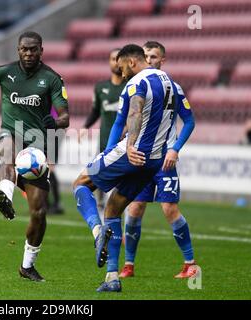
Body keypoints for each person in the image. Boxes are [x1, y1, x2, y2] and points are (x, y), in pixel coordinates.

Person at [0, 31, 69, 281]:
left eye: (33, 49)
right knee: (8, 153)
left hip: (37, 149)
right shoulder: (3, 72)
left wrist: (54, 122)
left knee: (39, 213)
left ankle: (27, 266)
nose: (29, 53)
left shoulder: (52, 79)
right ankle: (5, 195)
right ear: (18, 50)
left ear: (41, 50)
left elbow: (65, 115)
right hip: (9, 133)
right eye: (24, 49)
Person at [72, 44, 177, 292]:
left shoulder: (136, 82)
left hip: (133, 152)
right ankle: (112, 278)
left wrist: (129, 144)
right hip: (153, 161)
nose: (121, 74)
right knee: (113, 209)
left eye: (122, 68)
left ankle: (97, 232)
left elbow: (135, 112)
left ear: (131, 62)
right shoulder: (167, 80)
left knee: (79, 184)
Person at [118, 41, 197, 279]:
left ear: (163, 60)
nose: (149, 60)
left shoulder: (173, 87)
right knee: (134, 208)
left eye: (154, 56)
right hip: (141, 157)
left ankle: (190, 264)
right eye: (146, 56)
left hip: (163, 158)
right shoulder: (136, 85)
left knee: (169, 208)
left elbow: (190, 121)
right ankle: (129, 265)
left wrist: (175, 149)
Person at [78, 48, 127, 215]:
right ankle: (100, 206)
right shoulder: (101, 87)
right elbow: (95, 110)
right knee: (98, 175)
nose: (116, 62)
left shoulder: (131, 86)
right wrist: (85, 126)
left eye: (119, 59)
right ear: (109, 61)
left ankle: (122, 216)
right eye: (113, 58)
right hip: (105, 141)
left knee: (123, 182)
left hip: (126, 144)